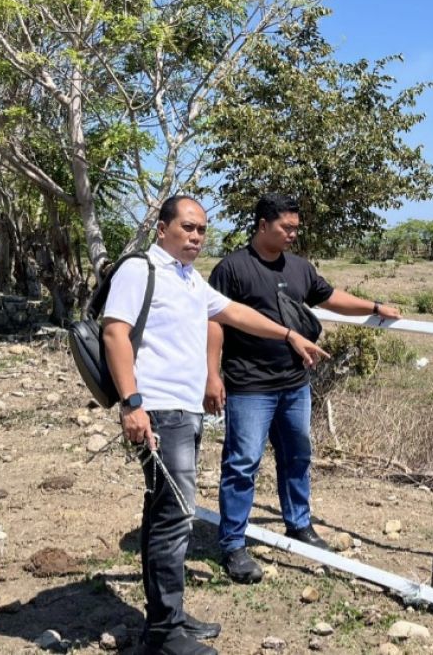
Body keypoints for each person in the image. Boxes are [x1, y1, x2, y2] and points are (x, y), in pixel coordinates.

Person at [103, 195, 328, 655]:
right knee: (173, 518)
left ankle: (169, 616)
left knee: (165, 513)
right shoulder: (139, 270)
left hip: (184, 412)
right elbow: (114, 332)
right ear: (162, 228)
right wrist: (132, 403)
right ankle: (165, 636)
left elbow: (233, 313)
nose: (196, 237)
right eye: (187, 228)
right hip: (160, 411)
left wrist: (288, 333)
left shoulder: (189, 279)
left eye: (202, 230)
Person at [206, 194, 401, 583]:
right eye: (286, 228)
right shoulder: (232, 268)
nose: (293, 234)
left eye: (296, 228)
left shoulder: (298, 267)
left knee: (297, 456)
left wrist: (375, 306)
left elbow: (330, 298)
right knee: (242, 464)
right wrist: (212, 376)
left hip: (294, 383)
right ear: (263, 225)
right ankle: (232, 544)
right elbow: (215, 322)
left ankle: (299, 524)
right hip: (249, 386)